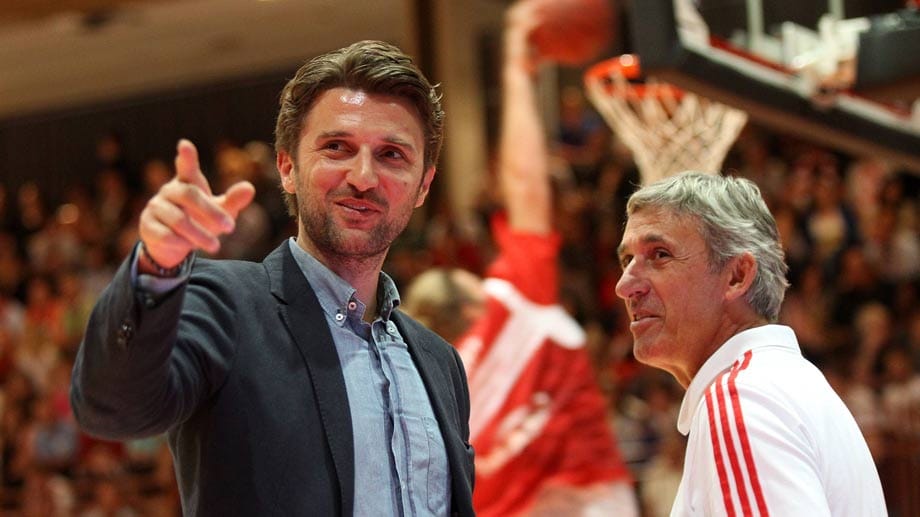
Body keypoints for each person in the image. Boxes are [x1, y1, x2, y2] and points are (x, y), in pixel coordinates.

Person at [70, 40, 475, 516]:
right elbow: (112, 407)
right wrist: (156, 269)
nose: (364, 177)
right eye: (337, 148)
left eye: (392, 155)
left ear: (423, 186)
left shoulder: (440, 361)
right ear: (287, 166)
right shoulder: (225, 304)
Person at [402, 3, 636, 515]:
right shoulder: (510, 301)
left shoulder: (427, 404)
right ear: (471, 300)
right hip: (591, 499)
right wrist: (515, 65)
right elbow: (528, 185)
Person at [614, 171, 887, 516]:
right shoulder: (782, 382)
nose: (625, 286)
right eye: (627, 260)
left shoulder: (741, 397)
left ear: (737, 276)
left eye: (660, 255)